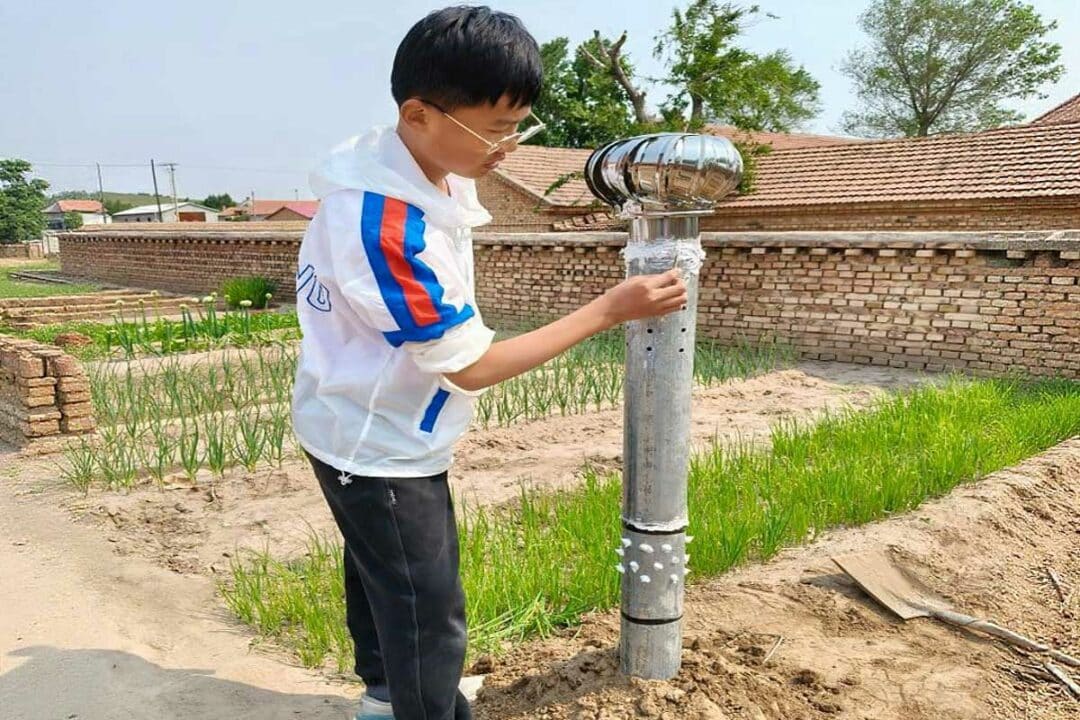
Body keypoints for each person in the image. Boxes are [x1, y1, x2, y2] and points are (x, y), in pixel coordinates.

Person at [291, 6, 688, 719]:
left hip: (357, 414)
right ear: (418, 113)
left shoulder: (421, 165)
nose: (508, 147)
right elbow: (469, 366)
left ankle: (384, 697)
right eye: (496, 128)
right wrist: (607, 309)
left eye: (519, 125)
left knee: (382, 575)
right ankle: (420, 706)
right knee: (429, 610)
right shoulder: (383, 226)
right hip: (378, 444)